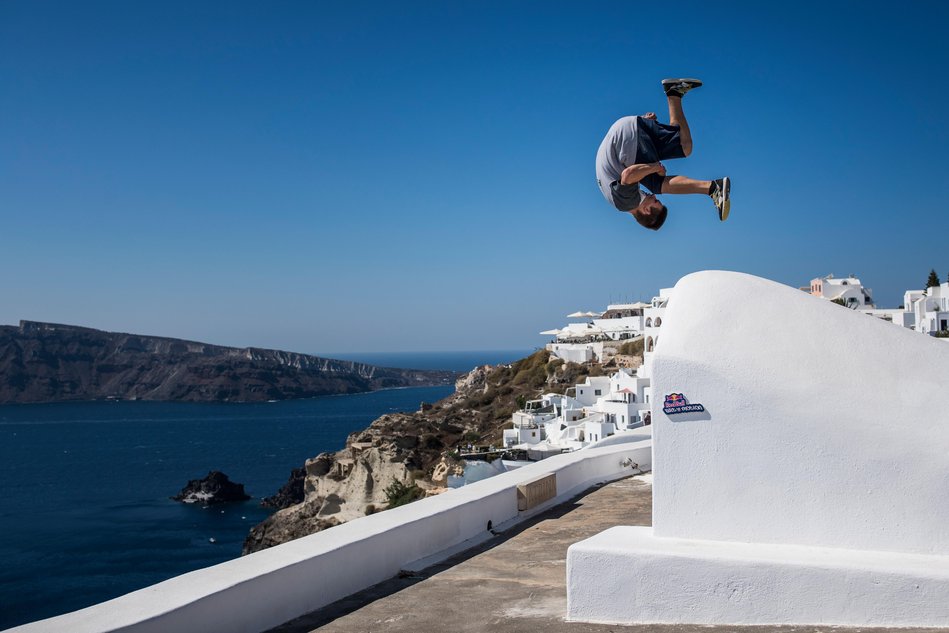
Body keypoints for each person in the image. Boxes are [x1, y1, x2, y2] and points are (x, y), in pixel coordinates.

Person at [595, 78, 730, 231]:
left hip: (626, 142)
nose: (654, 197)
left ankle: (712, 188)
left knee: (657, 185)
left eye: (656, 202)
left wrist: (655, 167)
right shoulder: (624, 200)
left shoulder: (628, 203)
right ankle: (674, 93)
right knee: (684, 146)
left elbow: (628, 174)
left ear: (646, 210)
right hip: (627, 133)